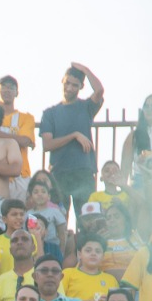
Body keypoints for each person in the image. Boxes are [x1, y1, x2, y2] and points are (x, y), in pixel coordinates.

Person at [40, 64, 106, 210]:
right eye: (67, 83)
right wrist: (74, 135)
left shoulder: (86, 107)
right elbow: (47, 145)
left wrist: (86, 70)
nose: (69, 88)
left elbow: (99, 90)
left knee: (87, 218)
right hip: (59, 172)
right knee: (58, 219)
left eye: (74, 85)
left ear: (81, 87)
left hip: (83, 170)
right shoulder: (50, 113)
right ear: (62, 81)